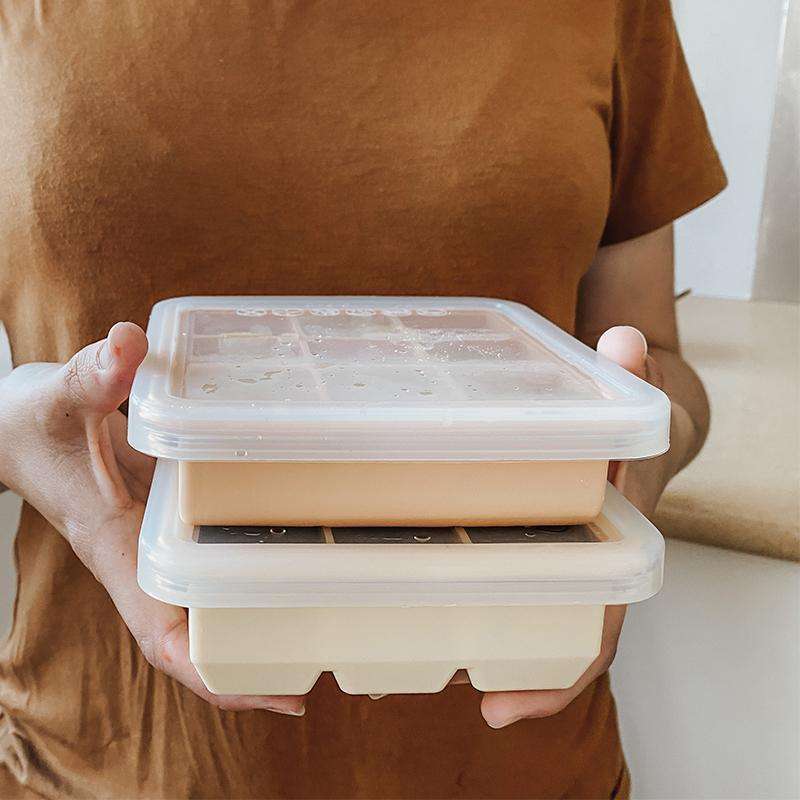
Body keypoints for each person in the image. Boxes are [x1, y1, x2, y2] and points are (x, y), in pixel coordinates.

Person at [0, 1, 725, 797]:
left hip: (522, 770)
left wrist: (633, 461)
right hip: (99, 763)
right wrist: (17, 437)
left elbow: (661, 362)